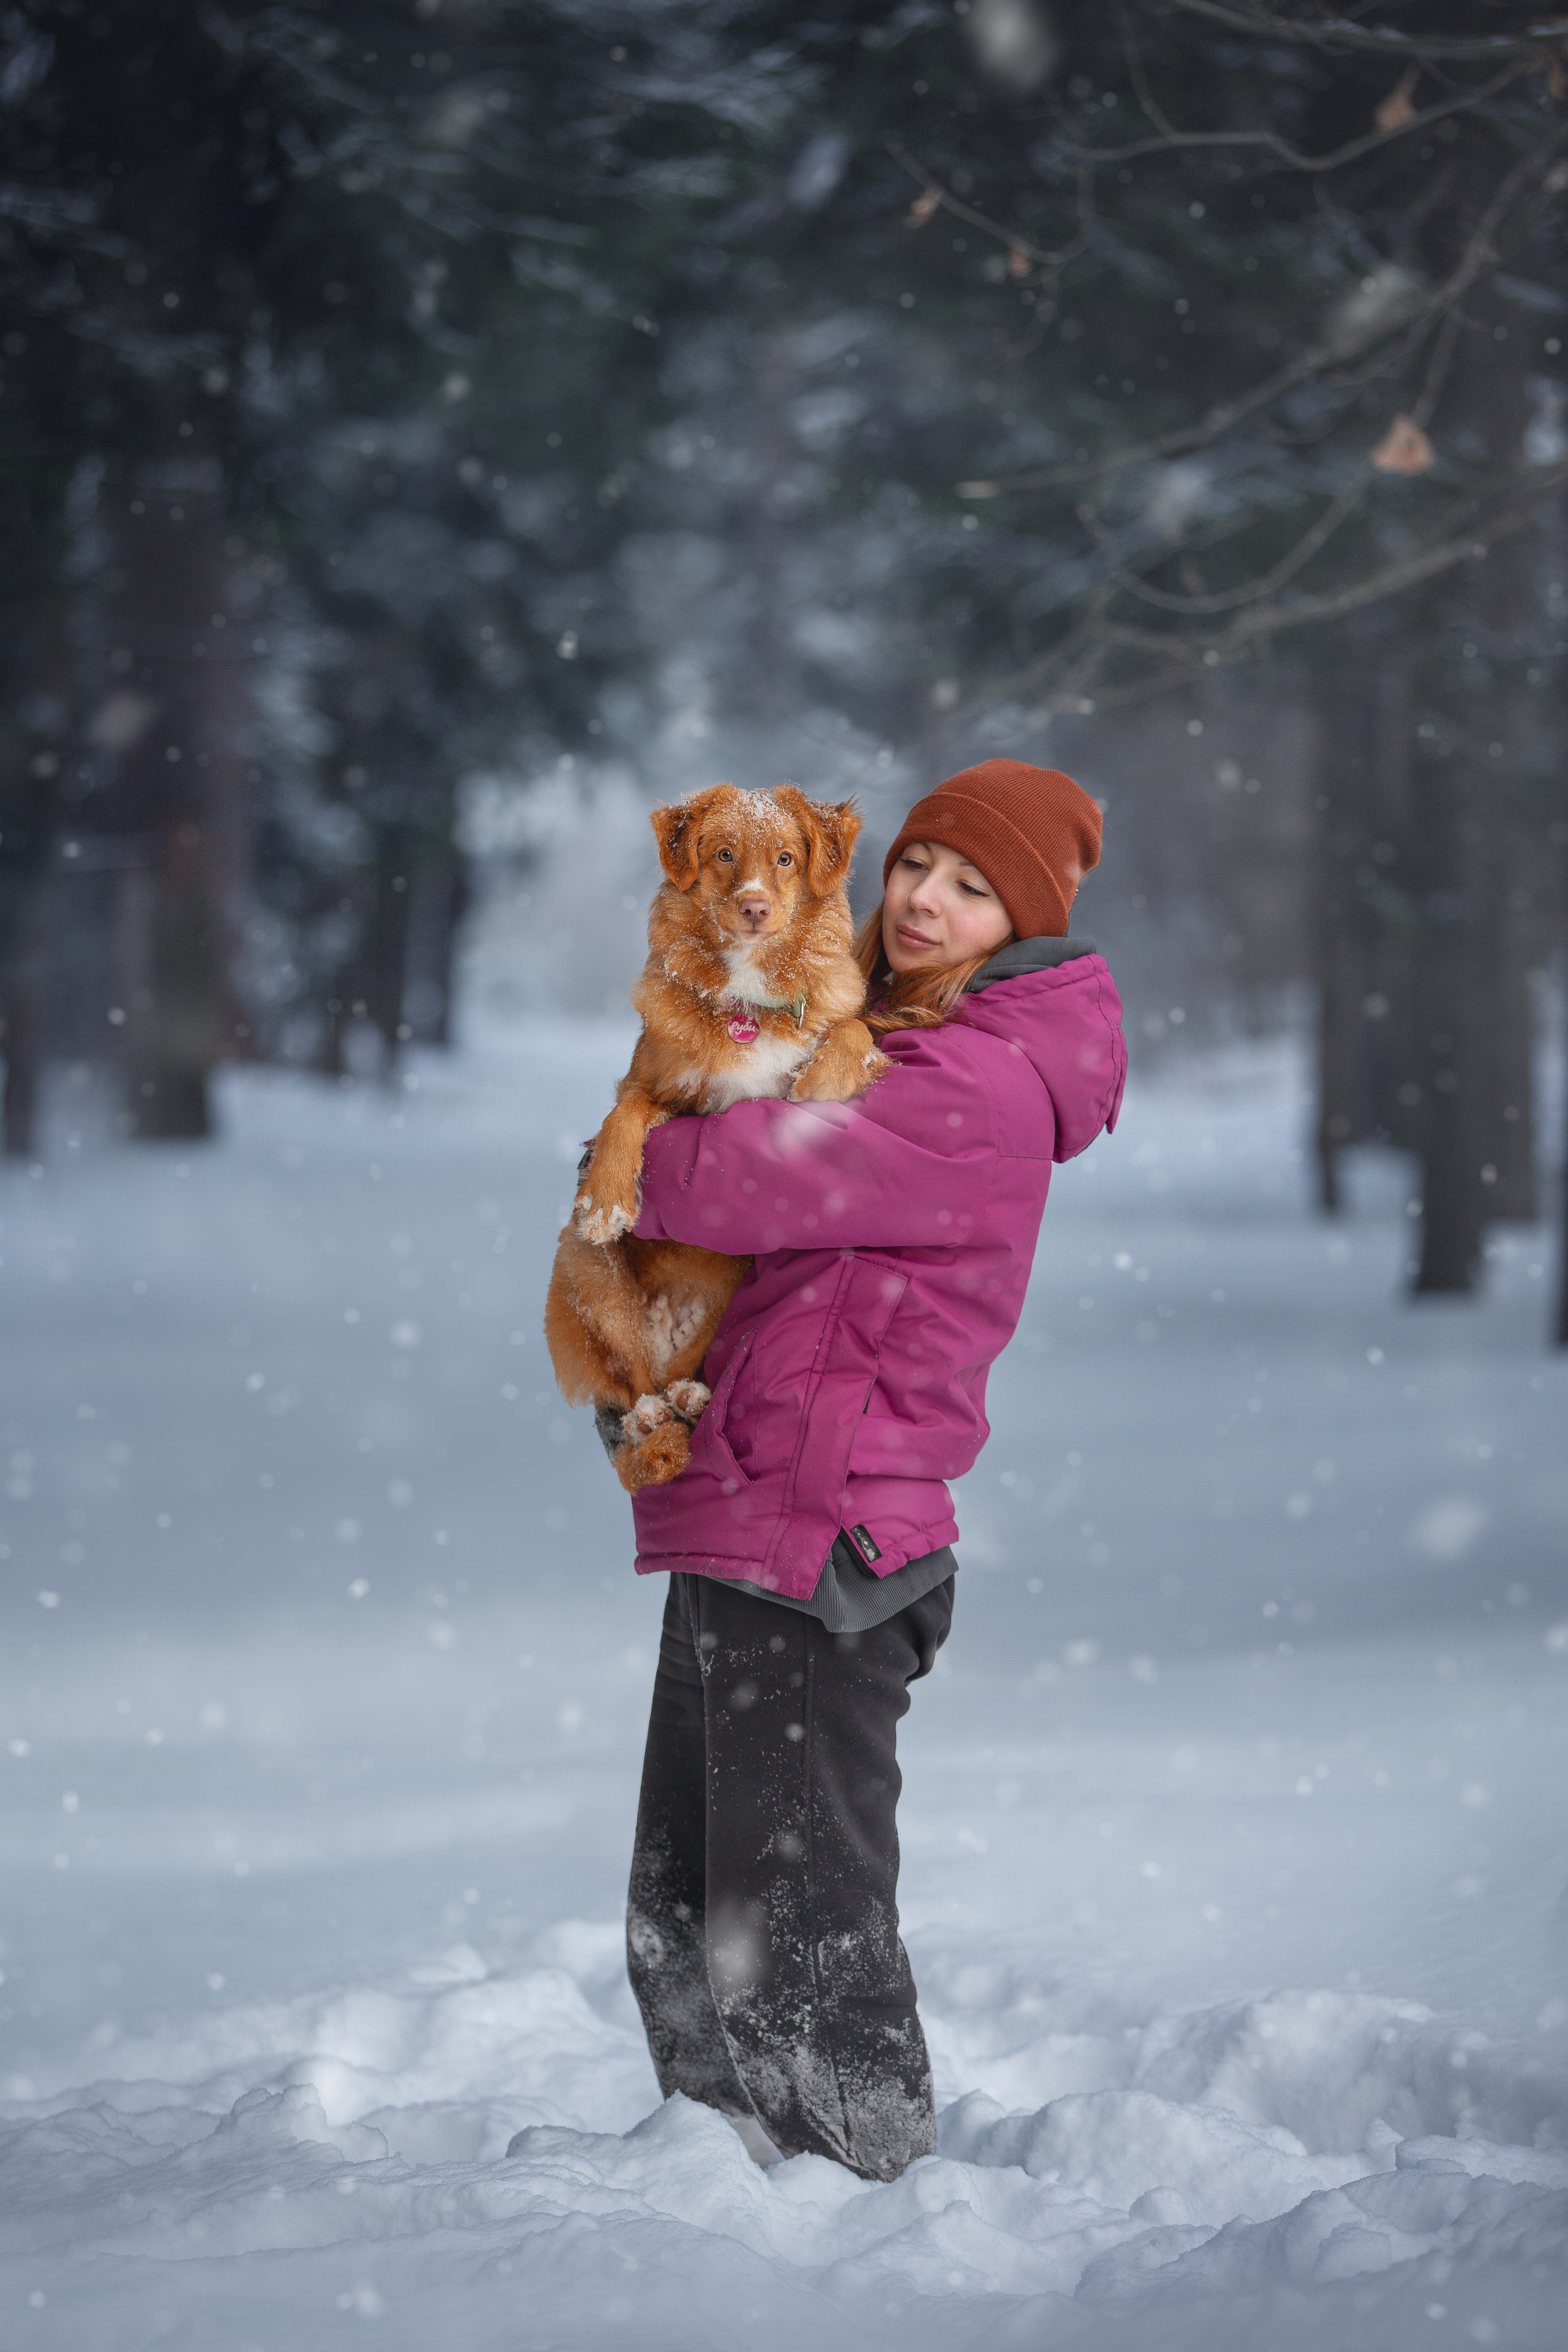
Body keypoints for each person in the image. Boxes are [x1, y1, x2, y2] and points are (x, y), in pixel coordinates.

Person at [621, 757, 1126, 2181]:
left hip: (832, 1539)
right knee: (686, 1910)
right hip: (759, 1510)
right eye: (917, 865)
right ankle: (709, 2192)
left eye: (972, 889)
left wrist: (643, 1138)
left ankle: (868, 2211)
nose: (924, 900)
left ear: (1016, 924)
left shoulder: (963, 1081)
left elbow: (715, 1180)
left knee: (796, 1935)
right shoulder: (882, 1035)